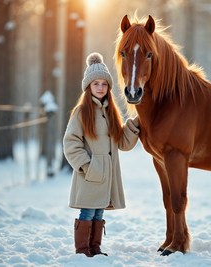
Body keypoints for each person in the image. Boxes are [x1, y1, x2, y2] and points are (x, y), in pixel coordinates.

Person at [63, 52, 140, 257]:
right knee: (88, 211)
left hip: (107, 175)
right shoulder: (81, 112)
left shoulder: (112, 112)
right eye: (95, 83)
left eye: (104, 84)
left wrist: (133, 126)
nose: (100, 87)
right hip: (90, 173)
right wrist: (87, 166)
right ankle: (82, 250)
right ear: (88, 87)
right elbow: (71, 143)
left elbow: (122, 143)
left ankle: (95, 248)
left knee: (99, 211)